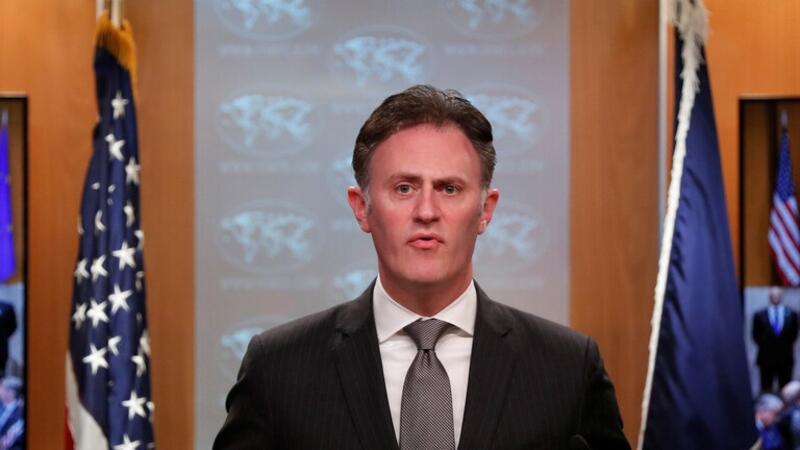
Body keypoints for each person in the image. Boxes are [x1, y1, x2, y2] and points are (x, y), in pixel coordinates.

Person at [214, 85, 629, 449]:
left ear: (486, 210)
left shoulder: (568, 369)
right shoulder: (278, 368)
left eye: (449, 188)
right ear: (361, 207)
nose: (426, 211)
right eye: (404, 188)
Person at [754, 287, 799, 392]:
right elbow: (755, 336)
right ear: (769, 297)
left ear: (781, 296)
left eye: (778, 295)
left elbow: (794, 335)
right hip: (766, 359)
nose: (775, 297)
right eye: (773, 295)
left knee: (786, 389)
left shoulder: (792, 314)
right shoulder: (759, 315)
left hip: (785, 358)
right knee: (766, 388)